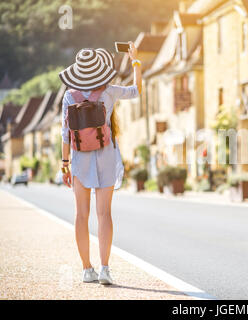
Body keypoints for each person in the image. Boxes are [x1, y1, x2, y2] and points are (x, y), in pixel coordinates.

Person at [59, 42, 142, 285]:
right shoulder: (110, 91)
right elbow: (136, 90)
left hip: (79, 159)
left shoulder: (69, 96)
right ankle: (105, 268)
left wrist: (64, 165)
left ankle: (87, 269)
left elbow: (65, 134)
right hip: (106, 156)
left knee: (81, 215)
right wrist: (135, 60)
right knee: (104, 214)